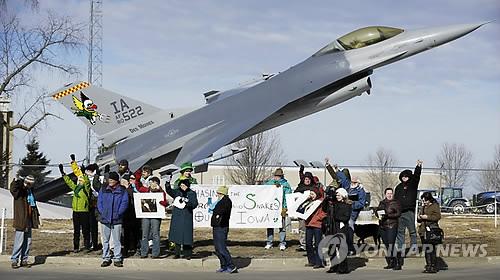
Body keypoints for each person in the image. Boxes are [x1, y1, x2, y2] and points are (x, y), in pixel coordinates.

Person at [59, 156, 92, 253]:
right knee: (76, 231)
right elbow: (69, 182)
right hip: (76, 211)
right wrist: (63, 173)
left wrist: (77, 166)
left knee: (85, 230)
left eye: (80, 179)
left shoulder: (86, 187)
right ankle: (76, 247)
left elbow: (81, 175)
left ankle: (87, 246)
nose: (79, 180)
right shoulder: (76, 188)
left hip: (84, 211)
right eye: (79, 180)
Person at [97, 171, 129, 267]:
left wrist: (118, 213)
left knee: (117, 240)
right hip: (105, 218)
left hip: (117, 219)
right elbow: (100, 202)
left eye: (111, 180)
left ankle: (117, 258)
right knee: (105, 240)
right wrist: (103, 212)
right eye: (109, 179)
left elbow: (124, 203)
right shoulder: (103, 189)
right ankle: (106, 258)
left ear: (115, 180)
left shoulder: (122, 190)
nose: (109, 181)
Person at [394, 160, 423, 266]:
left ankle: (414, 248)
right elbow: (395, 199)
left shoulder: (413, 185)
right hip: (400, 213)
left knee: (412, 232)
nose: (404, 178)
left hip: (409, 212)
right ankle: (401, 251)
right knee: (400, 233)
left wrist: (418, 166)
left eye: (406, 177)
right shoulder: (398, 187)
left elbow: (417, 176)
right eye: (403, 177)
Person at [10, 175, 40, 269]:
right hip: (21, 220)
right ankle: (14, 259)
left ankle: (24, 259)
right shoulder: (20, 191)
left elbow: (33, 206)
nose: (30, 186)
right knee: (19, 240)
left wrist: (37, 218)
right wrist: (18, 181)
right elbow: (13, 190)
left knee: (27, 241)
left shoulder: (30, 192)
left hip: (29, 220)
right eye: (29, 184)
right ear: (27, 183)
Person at [165, 178, 199, 259]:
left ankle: (187, 254)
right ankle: (177, 253)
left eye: (184, 185)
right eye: (181, 185)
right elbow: (169, 190)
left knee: (186, 236)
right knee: (177, 235)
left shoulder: (192, 193)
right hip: (177, 216)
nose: (182, 186)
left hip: (187, 217)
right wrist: (167, 182)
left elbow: (194, 204)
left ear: (188, 185)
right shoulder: (177, 192)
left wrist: (187, 202)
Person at [209, 186, 238, 273]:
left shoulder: (226, 201)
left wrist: (217, 214)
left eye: (219, 193)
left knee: (221, 247)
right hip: (217, 226)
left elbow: (222, 211)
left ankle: (231, 265)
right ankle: (224, 265)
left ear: (222, 193)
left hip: (222, 226)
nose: (217, 194)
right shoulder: (220, 201)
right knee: (217, 248)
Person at [137, 176, 168, 258]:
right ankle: (144, 252)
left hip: (156, 216)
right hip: (145, 216)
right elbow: (139, 188)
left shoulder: (161, 192)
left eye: (154, 182)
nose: (152, 184)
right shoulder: (146, 190)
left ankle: (155, 253)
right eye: (150, 182)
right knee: (144, 234)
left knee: (155, 234)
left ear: (157, 184)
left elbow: (165, 202)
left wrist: (160, 191)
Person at [264, 168, 292, 251]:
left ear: (281, 176)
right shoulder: (270, 183)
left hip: (281, 208)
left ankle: (282, 243)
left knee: (282, 226)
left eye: (278, 176)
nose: (277, 177)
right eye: (276, 176)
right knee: (270, 225)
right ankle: (269, 242)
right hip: (271, 208)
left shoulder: (286, 185)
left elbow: (288, 197)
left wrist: (285, 207)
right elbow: (263, 189)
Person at [326, 188, 352, 274]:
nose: (337, 197)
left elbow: (346, 217)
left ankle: (344, 268)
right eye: (337, 195)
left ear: (343, 195)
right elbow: (325, 207)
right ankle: (334, 266)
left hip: (341, 229)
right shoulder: (334, 204)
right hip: (332, 228)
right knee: (331, 249)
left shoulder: (347, 205)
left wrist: (336, 217)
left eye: (339, 195)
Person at [376, 188, 402, 270]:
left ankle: (398, 262)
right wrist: (378, 214)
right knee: (387, 245)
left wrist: (388, 215)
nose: (389, 195)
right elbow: (378, 211)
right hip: (383, 226)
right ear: (385, 194)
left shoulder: (396, 202)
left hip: (392, 225)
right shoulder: (382, 202)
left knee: (391, 244)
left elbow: (398, 213)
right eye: (388, 193)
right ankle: (391, 262)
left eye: (391, 193)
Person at [418, 191, 442, 273]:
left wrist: (427, 217)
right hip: (423, 230)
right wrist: (420, 217)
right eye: (423, 200)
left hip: (431, 230)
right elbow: (419, 217)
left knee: (431, 249)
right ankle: (428, 265)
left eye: (425, 200)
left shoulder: (435, 206)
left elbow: (437, 216)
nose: (424, 202)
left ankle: (433, 266)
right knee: (426, 249)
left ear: (429, 199)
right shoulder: (423, 207)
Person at [294, 171, 319, 252]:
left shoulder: (315, 188)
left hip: (312, 212)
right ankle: (303, 245)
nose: (307, 180)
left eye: (309, 179)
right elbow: (294, 198)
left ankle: (314, 244)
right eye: (306, 179)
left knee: (312, 228)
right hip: (301, 211)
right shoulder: (299, 188)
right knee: (302, 228)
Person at [304, 188, 326, 269]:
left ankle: (319, 262)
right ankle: (311, 261)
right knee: (308, 243)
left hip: (317, 225)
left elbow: (325, 212)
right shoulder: (308, 202)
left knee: (317, 244)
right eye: (311, 194)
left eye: (313, 194)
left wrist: (318, 217)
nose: (311, 196)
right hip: (308, 224)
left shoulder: (321, 202)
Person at [121, 174, 142, 257]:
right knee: (126, 233)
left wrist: (127, 187)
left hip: (134, 214)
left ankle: (137, 248)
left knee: (135, 232)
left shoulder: (133, 188)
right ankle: (126, 250)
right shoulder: (120, 189)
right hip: (125, 214)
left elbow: (135, 196)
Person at [84, 163, 101, 251]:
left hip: (97, 204)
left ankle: (95, 244)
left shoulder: (98, 178)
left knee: (96, 226)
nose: (87, 173)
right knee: (90, 225)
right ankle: (90, 244)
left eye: (89, 171)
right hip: (89, 205)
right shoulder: (84, 179)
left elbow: (97, 188)